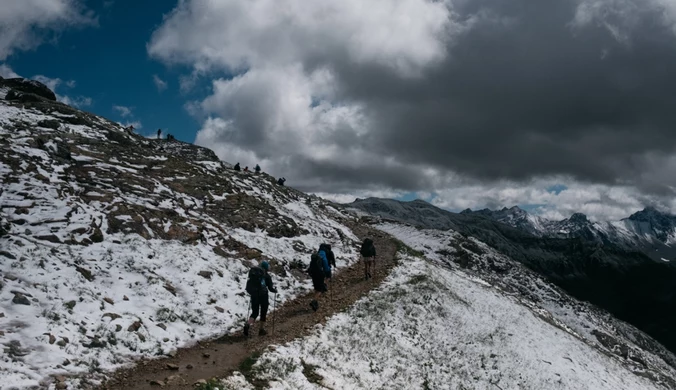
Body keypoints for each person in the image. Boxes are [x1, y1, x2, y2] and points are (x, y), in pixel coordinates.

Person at [244, 261, 277, 336]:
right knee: (263, 312)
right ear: (266, 268)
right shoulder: (267, 276)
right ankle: (261, 330)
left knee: (255, 312)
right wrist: (275, 290)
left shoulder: (253, 273)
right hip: (263, 296)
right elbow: (270, 288)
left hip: (254, 295)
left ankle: (248, 324)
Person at [308, 245, 332, 311]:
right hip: (320, 274)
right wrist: (328, 271)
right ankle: (314, 301)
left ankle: (315, 301)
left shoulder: (317, 255)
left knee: (317, 287)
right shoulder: (323, 255)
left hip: (313, 274)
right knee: (320, 289)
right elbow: (326, 267)